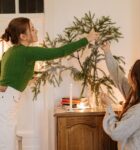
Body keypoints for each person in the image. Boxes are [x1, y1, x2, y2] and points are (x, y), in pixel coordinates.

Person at [0, 17, 99, 150]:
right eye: (32, 29)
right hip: (6, 100)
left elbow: (11, 75)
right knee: (7, 143)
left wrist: (29, 79)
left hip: (6, 100)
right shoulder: (27, 52)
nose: (36, 31)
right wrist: (87, 39)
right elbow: (60, 52)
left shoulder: (10, 52)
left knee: (8, 140)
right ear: (23, 36)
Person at [100, 41, 140, 150]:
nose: (129, 71)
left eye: (131, 69)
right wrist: (107, 51)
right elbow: (118, 75)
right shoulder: (134, 94)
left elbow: (116, 132)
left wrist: (109, 106)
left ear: (135, 78)